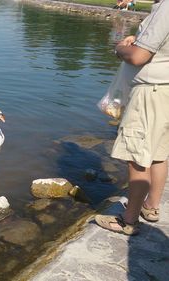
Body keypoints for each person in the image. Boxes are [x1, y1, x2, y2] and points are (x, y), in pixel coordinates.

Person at [95, 0, 169, 235]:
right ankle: (151, 207)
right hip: (164, 90)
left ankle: (128, 220)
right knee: (158, 153)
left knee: (137, 157)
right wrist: (135, 42)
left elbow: (138, 57)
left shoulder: (166, 8)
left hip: (151, 93)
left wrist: (119, 48)